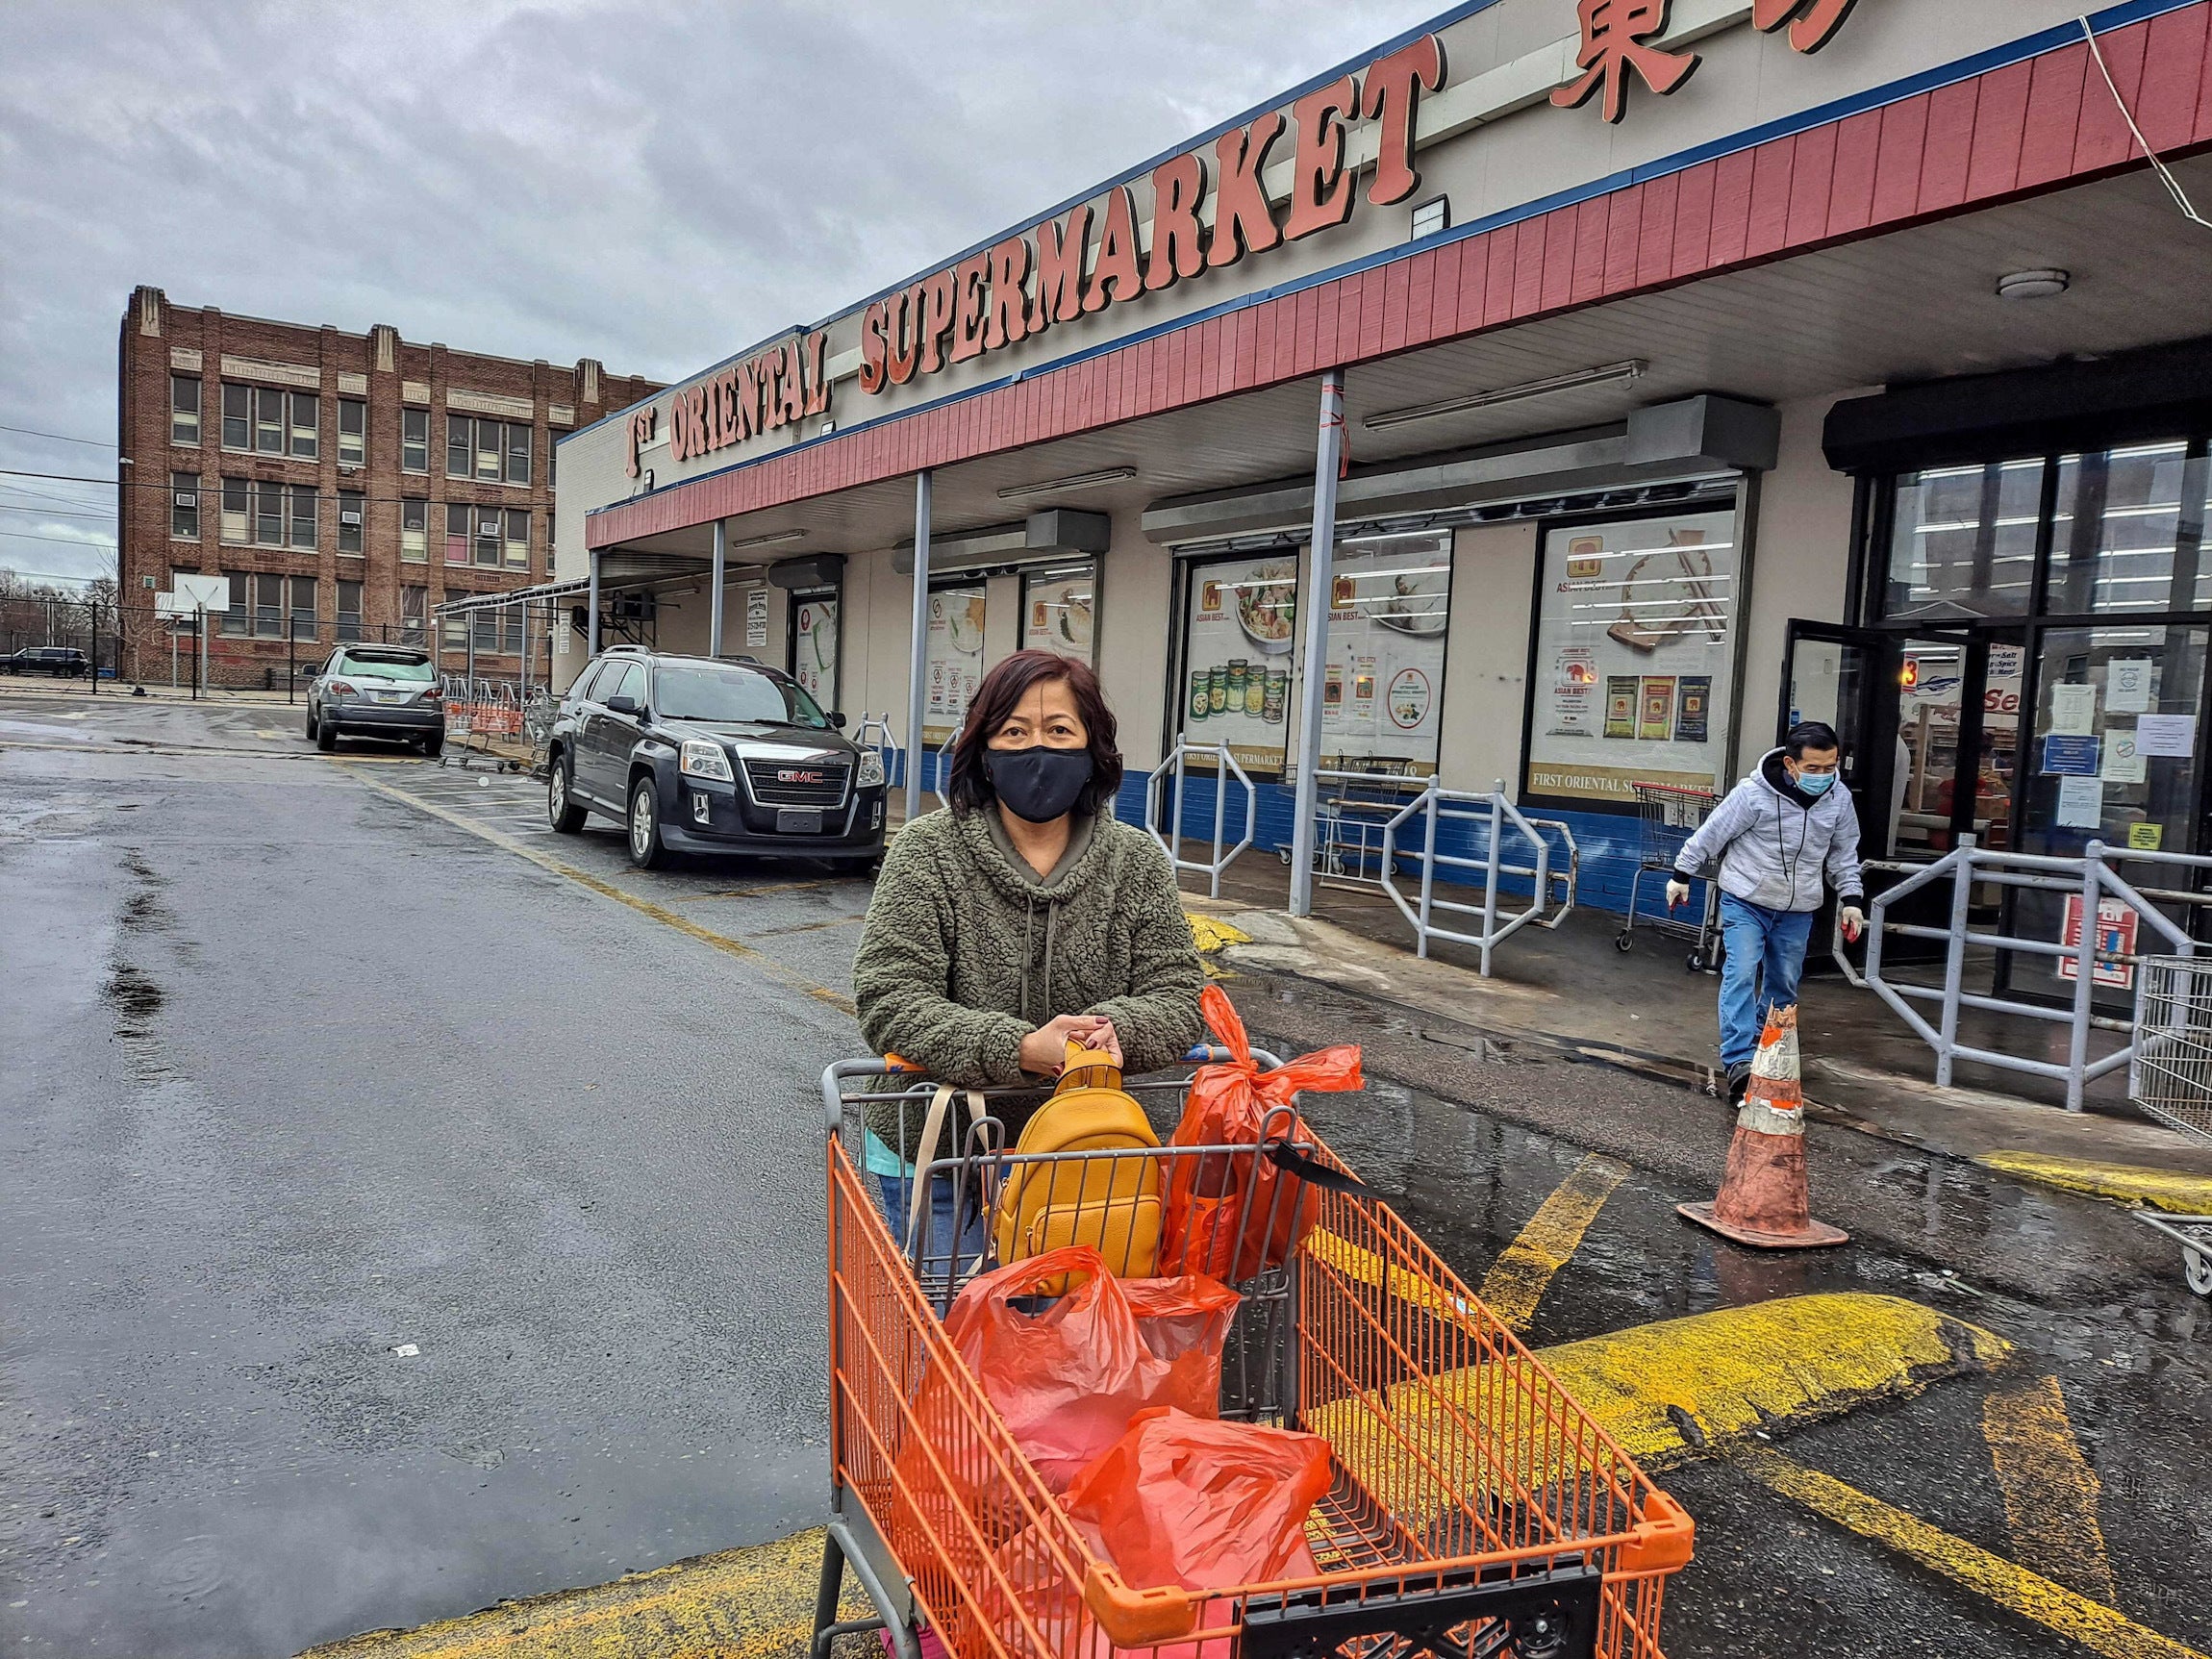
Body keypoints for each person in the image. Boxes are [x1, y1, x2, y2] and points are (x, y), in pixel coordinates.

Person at [851, 648, 1206, 1257]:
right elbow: (890, 999)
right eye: (1014, 732)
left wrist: (1118, 1032)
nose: (1037, 750)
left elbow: (1177, 996)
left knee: (1068, 1340)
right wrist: (1019, 1048)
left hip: (1087, 1159)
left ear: (1093, 750)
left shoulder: (1136, 863)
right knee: (957, 1333)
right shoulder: (927, 852)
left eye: (1059, 731)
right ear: (984, 754)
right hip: (939, 1155)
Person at [1668, 721, 1867, 1102]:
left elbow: (1844, 854)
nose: (1823, 776)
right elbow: (1712, 834)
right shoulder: (1752, 795)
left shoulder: (1839, 799)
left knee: (1784, 984)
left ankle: (1766, 1047)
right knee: (1741, 972)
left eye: (1830, 767)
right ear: (1791, 764)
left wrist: (1852, 899)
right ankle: (1740, 1060)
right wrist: (1681, 874)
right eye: (1813, 769)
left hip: (1799, 908)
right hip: (1746, 900)